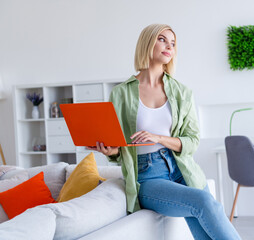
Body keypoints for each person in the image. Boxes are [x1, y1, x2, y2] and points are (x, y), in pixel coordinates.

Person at [88, 23, 241, 240]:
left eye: (173, 43)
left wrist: (159, 137)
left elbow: (193, 140)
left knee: (205, 224)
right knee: (204, 201)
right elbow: (119, 148)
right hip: (148, 175)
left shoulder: (182, 92)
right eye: (162, 39)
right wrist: (110, 150)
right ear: (147, 43)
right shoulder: (120, 93)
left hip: (182, 168)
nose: (169, 46)